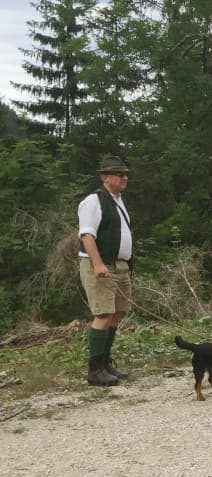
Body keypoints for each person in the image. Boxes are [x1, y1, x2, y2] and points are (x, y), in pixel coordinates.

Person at [78, 155, 134, 386]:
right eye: (119, 174)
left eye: (125, 174)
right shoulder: (93, 201)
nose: (124, 177)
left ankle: (105, 363)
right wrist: (98, 264)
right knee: (102, 314)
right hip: (101, 265)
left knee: (115, 314)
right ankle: (95, 370)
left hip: (119, 265)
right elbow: (87, 235)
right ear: (105, 177)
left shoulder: (117, 201)